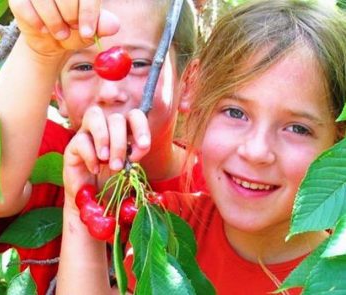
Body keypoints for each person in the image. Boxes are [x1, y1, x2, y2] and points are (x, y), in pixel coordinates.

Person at [58, 0, 346, 294]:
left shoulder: (335, 278)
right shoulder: (168, 226)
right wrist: (81, 198)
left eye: (297, 128)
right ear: (198, 100)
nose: (257, 151)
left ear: (338, 142)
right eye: (235, 112)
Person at [0, 0, 202, 293]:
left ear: (189, 83)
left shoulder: (221, 188)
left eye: (140, 63)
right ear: (59, 93)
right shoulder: (49, 157)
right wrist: (39, 49)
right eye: (82, 66)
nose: (109, 91)